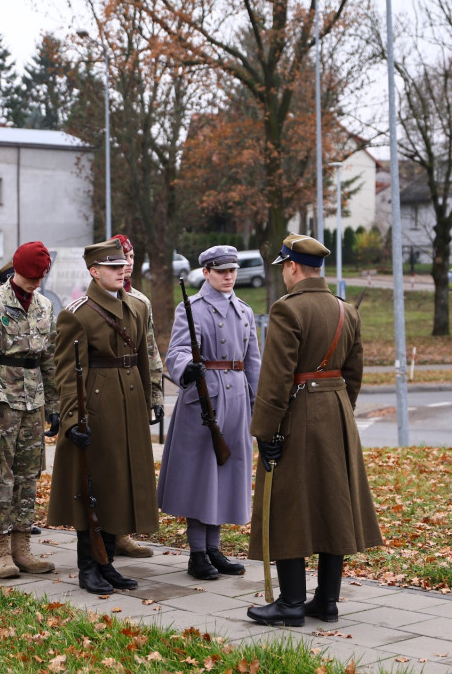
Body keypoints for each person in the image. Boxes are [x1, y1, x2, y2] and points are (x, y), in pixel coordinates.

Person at [246, 234, 382, 627]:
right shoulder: (345, 310)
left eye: (283, 268)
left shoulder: (288, 310)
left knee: (290, 505)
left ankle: (290, 604)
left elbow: (276, 380)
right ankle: (326, 601)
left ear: (291, 267)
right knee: (331, 506)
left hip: (296, 414)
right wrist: (340, 408)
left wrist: (265, 432)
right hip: (337, 413)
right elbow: (354, 373)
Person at [47, 239, 158, 594]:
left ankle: (108, 562)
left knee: (120, 484)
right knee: (91, 487)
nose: (121, 270)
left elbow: (141, 359)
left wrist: (147, 401)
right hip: (95, 407)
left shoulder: (137, 307)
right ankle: (88, 567)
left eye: (122, 264)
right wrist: (72, 419)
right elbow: (65, 372)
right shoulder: (77, 313)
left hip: (128, 405)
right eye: (112, 266)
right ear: (94, 272)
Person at [158, 245, 261, 580]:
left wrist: (259, 400)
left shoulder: (244, 310)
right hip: (204, 401)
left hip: (237, 401)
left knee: (225, 477)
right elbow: (177, 350)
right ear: (206, 273)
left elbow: (253, 360)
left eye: (231, 271)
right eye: (221, 271)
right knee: (201, 478)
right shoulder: (192, 308)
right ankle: (197, 552)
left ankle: (214, 549)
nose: (228, 276)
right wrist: (187, 368)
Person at [0, 241, 59, 579]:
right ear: (18, 270)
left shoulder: (45, 306)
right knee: (0, 477)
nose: (36, 282)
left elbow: (48, 359)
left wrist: (55, 405)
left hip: (33, 401)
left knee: (28, 476)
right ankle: (2, 550)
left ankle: (23, 547)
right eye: (32, 276)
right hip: (1, 401)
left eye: (41, 277)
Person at [109, 234, 163, 558]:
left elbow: (151, 349)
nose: (128, 261)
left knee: (131, 468)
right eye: (122, 256)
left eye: (131, 256)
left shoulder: (141, 301)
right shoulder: (98, 299)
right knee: (109, 467)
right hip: (107, 392)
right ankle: (103, 533)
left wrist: (155, 394)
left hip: (134, 391)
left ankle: (122, 533)